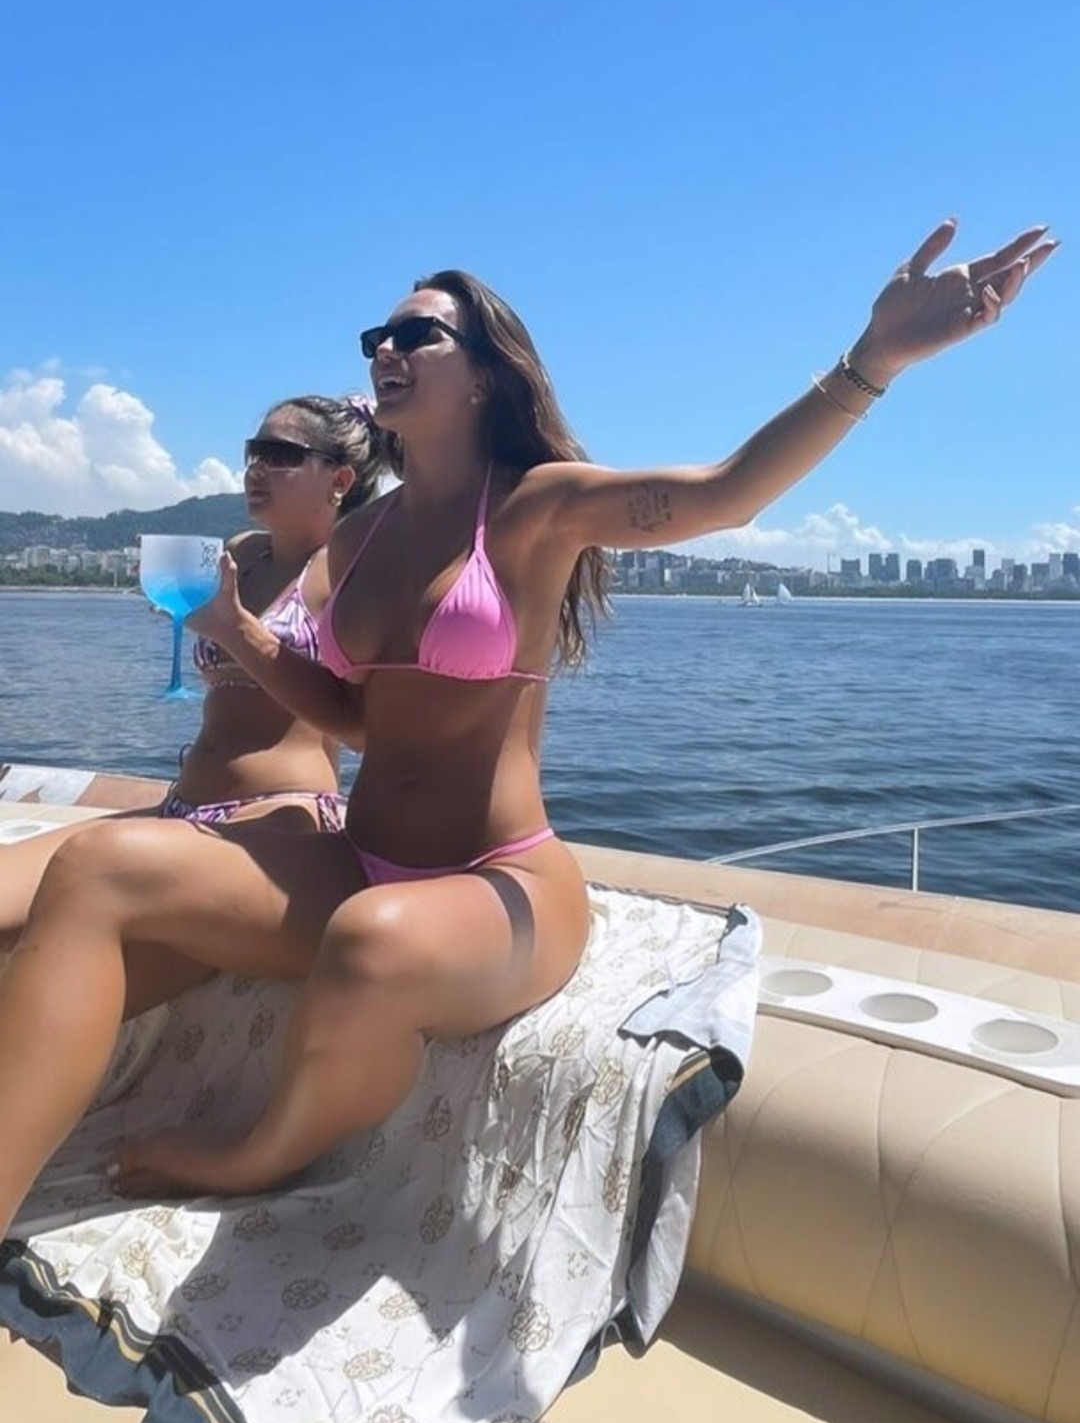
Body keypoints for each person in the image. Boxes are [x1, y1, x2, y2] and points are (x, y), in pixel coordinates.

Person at [0, 217, 1058, 1236]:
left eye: (417, 333)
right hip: (361, 860)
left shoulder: (540, 507)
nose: (385, 350)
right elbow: (356, 719)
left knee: (370, 942)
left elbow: (728, 493)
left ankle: (258, 1154)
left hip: (499, 880)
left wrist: (876, 357)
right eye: (377, 337)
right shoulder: (360, 538)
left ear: (484, 374)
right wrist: (239, 630)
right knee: (98, 866)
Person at [0, 393, 378, 1016]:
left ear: (339, 479)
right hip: (181, 806)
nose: (257, 468)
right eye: (253, 452)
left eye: (280, 454)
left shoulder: (348, 571)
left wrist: (236, 630)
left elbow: (363, 720)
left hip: (273, 815)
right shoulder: (241, 552)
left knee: (75, 956)